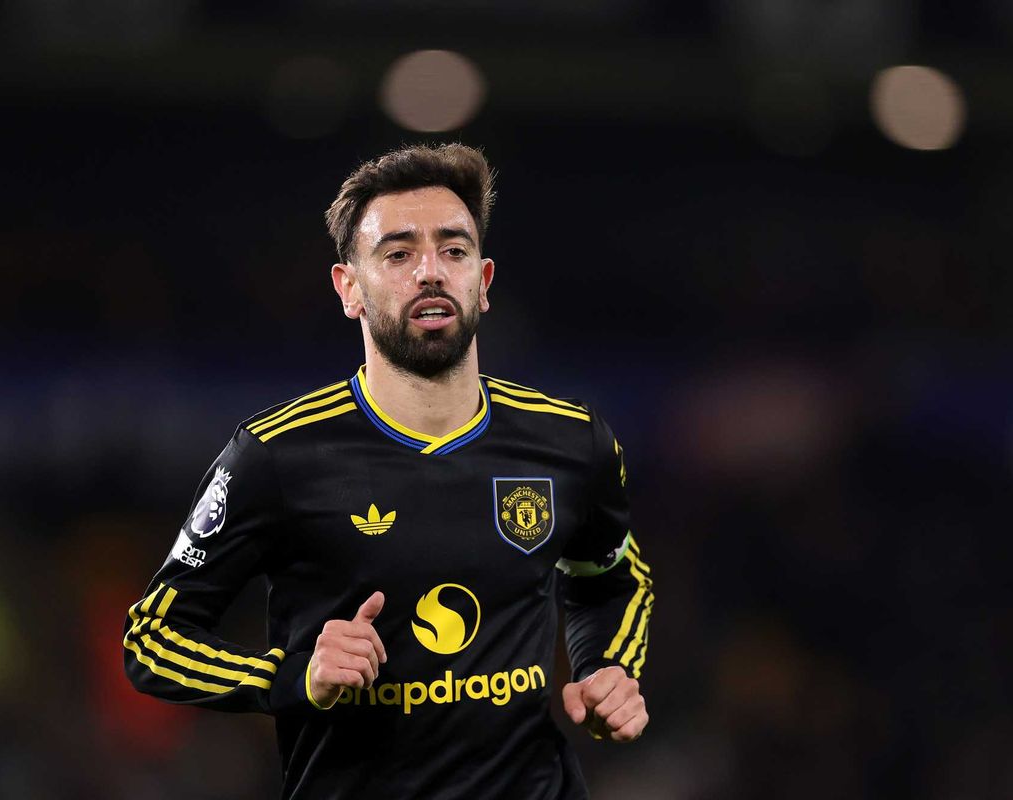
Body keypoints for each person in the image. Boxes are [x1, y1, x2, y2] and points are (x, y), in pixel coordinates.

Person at [123, 143, 653, 798]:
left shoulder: (573, 441)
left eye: (453, 250)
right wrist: (294, 678)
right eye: (399, 254)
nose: (430, 271)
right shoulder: (275, 456)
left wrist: (609, 668)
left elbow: (612, 579)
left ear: (483, 283)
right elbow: (152, 638)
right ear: (349, 288)